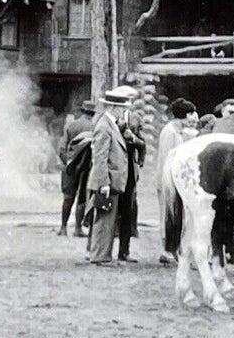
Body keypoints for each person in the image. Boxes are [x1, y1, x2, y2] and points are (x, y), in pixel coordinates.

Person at [85, 86, 133, 265]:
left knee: (108, 220)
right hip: (107, 181)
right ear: (113, 107)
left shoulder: (110, 124)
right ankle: (100, 256)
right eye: (122, 108)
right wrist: (103, 183)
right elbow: (100, 158)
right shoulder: (104, 126)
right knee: (104, 220)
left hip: (112, 180)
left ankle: (102, 255)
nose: (124, 111)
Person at [153, 98, 198, 264]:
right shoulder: (170, 132)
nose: (193, 117)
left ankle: (173, 248)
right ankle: (166, 250)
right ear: (182, 116)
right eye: (191, 114)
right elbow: (167, 159)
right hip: (167, 182)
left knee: (177, 216)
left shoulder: (179, 132)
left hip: (174, 182)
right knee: (167, 215)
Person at [58, 99, 95, 236]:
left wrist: (68, 163)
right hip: (86, 168)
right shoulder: (94, 127)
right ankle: (78, 229)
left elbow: (62, 148)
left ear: (82, 111)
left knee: (68, 198)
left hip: (70, 167)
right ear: (92, 113)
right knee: (82, 198)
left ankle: (63, 228)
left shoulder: (70, 126)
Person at [117, 100, 146, 263]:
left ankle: (124, 251)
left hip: (128, 171)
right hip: (111, 170)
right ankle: (96, 250)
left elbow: (142, 145)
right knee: (103, 209)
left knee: (127, 212)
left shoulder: (135, 119)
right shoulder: (104, 119)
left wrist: (133, 138)